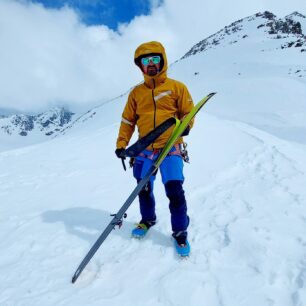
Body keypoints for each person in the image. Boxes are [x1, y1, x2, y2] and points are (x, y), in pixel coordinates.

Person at [115, 41, 194, 256]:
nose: (150, 64)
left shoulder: (177, 87)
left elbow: (188, 111)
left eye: (155, 59)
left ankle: (180, 231)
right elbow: (128, 121)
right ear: (140, 66)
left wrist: (186, 125)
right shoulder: (136, 93)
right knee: (144, 188)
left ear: (163, 61)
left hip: (171, 148)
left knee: (175, 192)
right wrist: (122, 145)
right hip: (145, 149)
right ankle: (147, 219)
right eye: (145, 61)